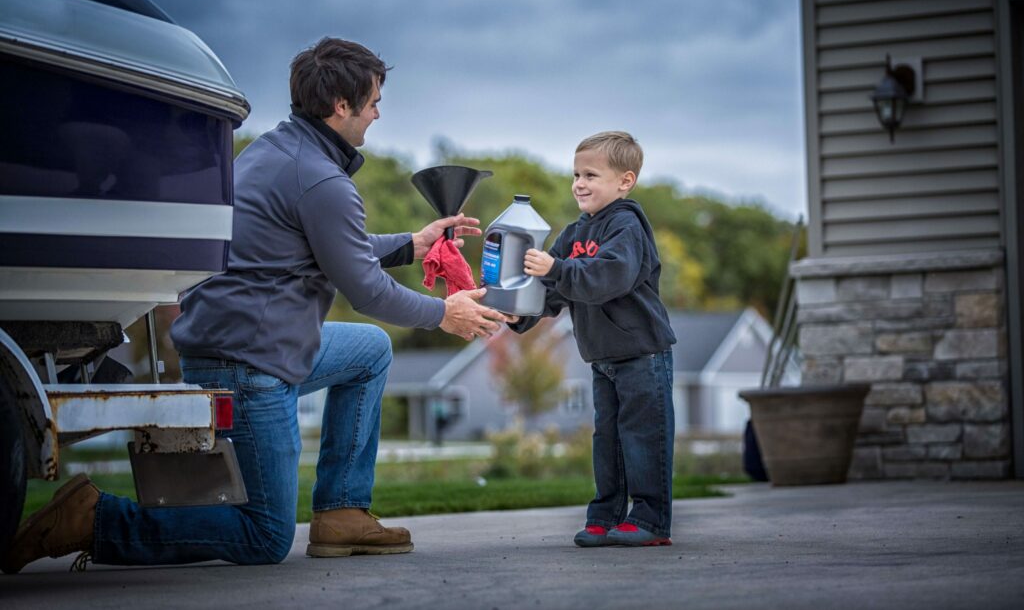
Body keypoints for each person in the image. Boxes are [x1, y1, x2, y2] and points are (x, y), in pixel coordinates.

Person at [2, 37, 512, 574]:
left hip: (248, 343)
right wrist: (443, 314)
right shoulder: (320, 179)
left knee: (369, 352)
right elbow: (365, 290)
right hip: (249, 364)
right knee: (264, 535)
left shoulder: (276, 151)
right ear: (341, 105)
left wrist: (413, 243)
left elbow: (335, 247)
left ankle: (341, 512)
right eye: (373, 101)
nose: (378, 111)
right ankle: (94, 518)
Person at [508, 131, 676, 547]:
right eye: (576, 174)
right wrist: (521, 315)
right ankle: (604, 517)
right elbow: (557, 290)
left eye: (591, 175)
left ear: (625, 181)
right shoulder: (574, 232)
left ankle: (650, 521)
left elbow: (607, 278)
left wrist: (555, 268)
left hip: (641, 353)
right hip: (602, 357)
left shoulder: (626, 226)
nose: (579, 183)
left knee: (642, 438)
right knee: (609, 442)